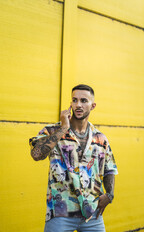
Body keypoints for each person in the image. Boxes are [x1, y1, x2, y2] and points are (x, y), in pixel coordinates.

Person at [29, 84, 118, 232]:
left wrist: (110, 195)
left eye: (84, 101)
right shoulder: (52, 131)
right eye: (74, 100)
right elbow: (36, 154)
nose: (78, 105)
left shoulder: (100, 138)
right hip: (60, 212)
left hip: (92, 213)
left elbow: (110, 169)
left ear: (92, 105)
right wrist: (63, 128)